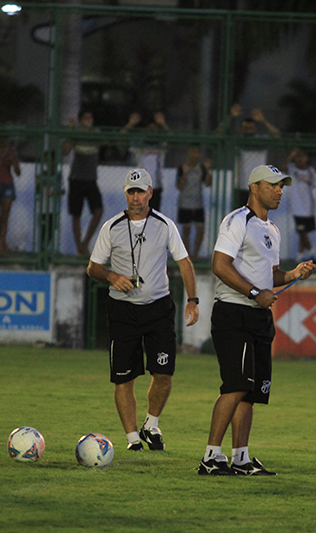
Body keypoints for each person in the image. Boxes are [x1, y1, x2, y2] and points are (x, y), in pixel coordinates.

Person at [199, 164, 316, 476]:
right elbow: (219, 265)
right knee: (235, 385)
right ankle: (211, 457)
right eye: (273, 185)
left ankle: (241, 459)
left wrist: (293, 274)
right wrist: (253, 293)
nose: (279, 191)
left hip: (258, 316)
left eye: (281, 187)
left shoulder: (272, 229)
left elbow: (271, 274)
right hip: (233, 313)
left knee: (251, 391)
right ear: (254, 187)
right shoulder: (238, 221)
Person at [87, 168, 199, 452]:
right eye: (131, 192)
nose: (136, 197)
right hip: (122, 310)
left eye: (141, 191)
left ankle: (151, 424)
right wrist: (112, 277)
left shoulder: (164, 225)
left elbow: (184, 263)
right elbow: (93, 268)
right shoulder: (111, 227)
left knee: (164, 372)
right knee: (124, 376)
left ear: (151, 192)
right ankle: (132, 439)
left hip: (158, 308)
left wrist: (193, 299)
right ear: (125, 193)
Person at [219, 103, 281, 209]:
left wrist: (263, 121)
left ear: (255, 129)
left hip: (258, 188)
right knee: (240, 220)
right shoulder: (237, 141)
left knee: (257, 220)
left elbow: (277, 136)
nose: (248, 130)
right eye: (245, 128)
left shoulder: (261, 141)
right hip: (240, 187)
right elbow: (218, 135)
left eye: (251, 128)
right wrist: (230, 117)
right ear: (241, 129)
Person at [64, 110, 104, 256]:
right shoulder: (76, 133)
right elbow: (65, 151)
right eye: (85, 119)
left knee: (98, 210)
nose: (88, 122)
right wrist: (71, 131)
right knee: (76, 214)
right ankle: (79, 248)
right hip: (76, 178)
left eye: (90, 118)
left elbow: (109, 141)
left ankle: (85, 243)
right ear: (80, 121)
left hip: (91, 179)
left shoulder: (96, 133)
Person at [123, 111, 170, 212]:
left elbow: (173, 139)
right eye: (149, 129)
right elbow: (120, 137)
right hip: (140, 187)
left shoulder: (161, 146)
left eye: (154, 129)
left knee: (154, 217)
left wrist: (163, 124)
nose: (152, 131)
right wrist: (131, 124)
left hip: (155, 187)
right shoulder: (138, 146)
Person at [175, 145, 212, 258]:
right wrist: (185, 173)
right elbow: (179, 187)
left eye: (197, 152)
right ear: (188, 153)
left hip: (198, 203)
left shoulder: (201, 168)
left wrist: (208, 170)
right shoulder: (182, 168)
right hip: (185, 203)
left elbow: (207, 183)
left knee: (200, 229)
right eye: (193, 152)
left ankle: (195, 255)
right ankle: (187, 256)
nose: (195, 155)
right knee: (186, 230)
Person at [285, 148, 316, 262]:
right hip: (297, 207)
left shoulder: (310, 171)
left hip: (308, 207)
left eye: (303, 156)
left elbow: (313, 185)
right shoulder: (292, 169)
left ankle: (300, 255)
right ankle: (312, 252)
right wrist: (290, 156)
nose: (300, 159)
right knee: (302, 230)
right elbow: (281, 168)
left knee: (303, 232)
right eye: (298, 156)